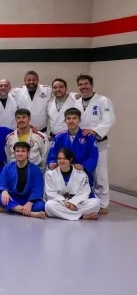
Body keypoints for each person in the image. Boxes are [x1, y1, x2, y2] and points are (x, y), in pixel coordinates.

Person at [74, 74, 114, 214]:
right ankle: (86, 200)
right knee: (83, 172)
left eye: (86, 84)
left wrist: (95, 131)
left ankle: (103, 203)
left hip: (98, 142)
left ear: (92, 85)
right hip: (83, 144)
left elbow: (109, 120)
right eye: (80, 84)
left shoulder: (103, 100)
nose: (83, 87)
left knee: (100, 174)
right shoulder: (77, 103)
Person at [44, 147, 100, 221]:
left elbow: (84, 192)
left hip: (77, 204)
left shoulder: (81, 174)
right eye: (59, 158)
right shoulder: (49, 174)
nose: (62, 161)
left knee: (96, 202)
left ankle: (64, 214)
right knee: (49, 205)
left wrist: (73, 203)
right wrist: (65, 202)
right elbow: (50, 193)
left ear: (70, 160)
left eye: (65, 158)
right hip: (60, 203)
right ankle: (81, 216)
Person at [47, 108, 98, 186]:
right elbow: (52, 154)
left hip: (82, 173)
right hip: (62, 173)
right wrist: (52, 163)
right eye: (68, 118)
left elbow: (93, 156)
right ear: (65, 121)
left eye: (74, 118)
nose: (71, 121)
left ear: (79, 120)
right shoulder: (58, 137)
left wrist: (84, 166)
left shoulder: (89, 137)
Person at [0, 141, 46, 218]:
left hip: (28, 198)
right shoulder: (8, 167)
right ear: (14, 153)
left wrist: (30, 203)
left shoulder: (36, 169)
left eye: (23, 151)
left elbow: (37, 189)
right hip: (13, 197)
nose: (20, 153)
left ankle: (10, 209)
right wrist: (4, 191)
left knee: (40, 206)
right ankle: (30, 213)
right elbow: (2, 183)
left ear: (28, 153)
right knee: (0, 197)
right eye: (17, 151)